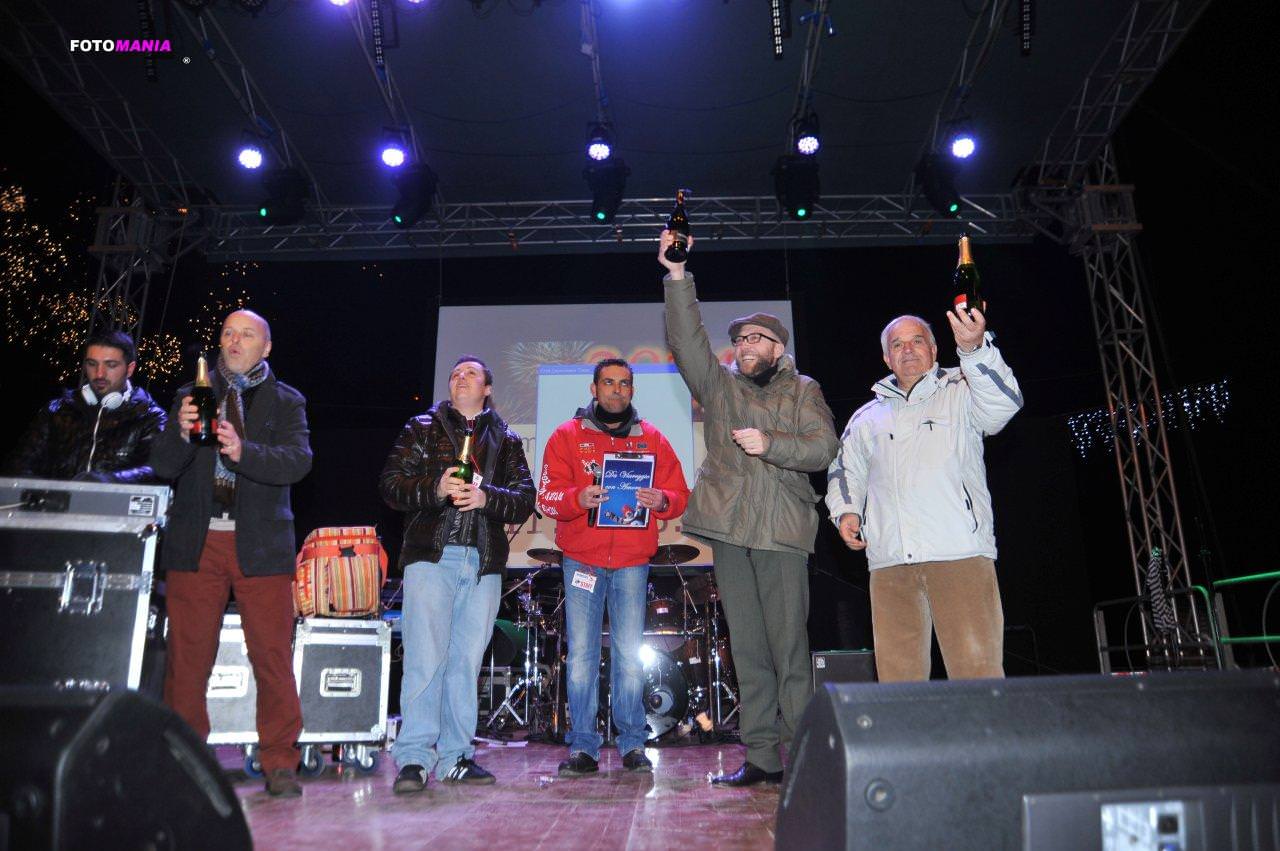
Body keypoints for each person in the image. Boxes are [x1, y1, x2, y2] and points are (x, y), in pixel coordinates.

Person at [658, 231, 839, 787]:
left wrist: (772, 444)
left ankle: (804, 757)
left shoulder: (804, 389)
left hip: (783, 532)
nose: (746, 345)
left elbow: (823, 449)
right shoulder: (720, 389)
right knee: (749, 650)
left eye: (758, 338)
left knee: (790, 649)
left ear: (779, 349)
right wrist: (677, 277)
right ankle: (761, 756)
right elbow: (689, 343)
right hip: (732, 532)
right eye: (740, 339)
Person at [150, 309, 312, 798]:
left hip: (260, 544)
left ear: (266, 348)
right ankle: (184, 758)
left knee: (271, 654)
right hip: (198, 541)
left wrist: (244, 452)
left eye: (247, 335)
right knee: (188, 656)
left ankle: (280, 761)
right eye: (227, 333)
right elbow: (161, 465)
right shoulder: (190, 395)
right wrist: (180, 433)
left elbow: (299, 462)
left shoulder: (287, 401)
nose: (234, 341)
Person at [825, 311, 1022, 682]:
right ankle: (906, 742)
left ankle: (982, 741)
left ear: (934, 348)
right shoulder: (867, 416)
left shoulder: (963, 390)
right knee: (898, 681)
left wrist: (975, 350)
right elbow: (843, 469)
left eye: (917, 341)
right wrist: (847, 512)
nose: (907, 350)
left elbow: (1004, 406)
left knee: (976, 673)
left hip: (959, 553)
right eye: (896, 345)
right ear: (886, 358)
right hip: (890, 563)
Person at [379, 356, 535, 794]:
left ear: (487, 388)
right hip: (432, 555)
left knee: (466, 663)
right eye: (455, 374)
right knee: (426, 657)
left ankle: (456, 756)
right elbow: (390, 485)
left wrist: (487, 498)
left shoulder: (505, 439)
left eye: (470, 373)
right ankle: (413, 757)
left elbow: (525, 498)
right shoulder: (422, 427)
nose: (460, 377)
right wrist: (435, 488)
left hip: (484, 562)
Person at [537, 358, 689, 777]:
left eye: (625, 384)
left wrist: (662, 501)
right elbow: (545, 497)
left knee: (629, 657)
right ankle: (583, 746)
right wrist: (576, 500)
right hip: (581, 560)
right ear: (594, 388)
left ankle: (633, 744)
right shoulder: (567, 436)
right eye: (609, 382)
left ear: (632, 391)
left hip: (631, 562)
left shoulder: (653, 438)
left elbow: (680, 492)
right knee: (583, 656)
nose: (617, 390)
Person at [6, 329, 165, 483]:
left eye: (110, 365)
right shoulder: (56, 410)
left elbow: (159, 470)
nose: (99, 374)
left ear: (129, 369)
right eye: (92, 364)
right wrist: (46, 493)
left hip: (112, 508)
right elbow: (20, 463)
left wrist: (110, 481)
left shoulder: (149, 417)